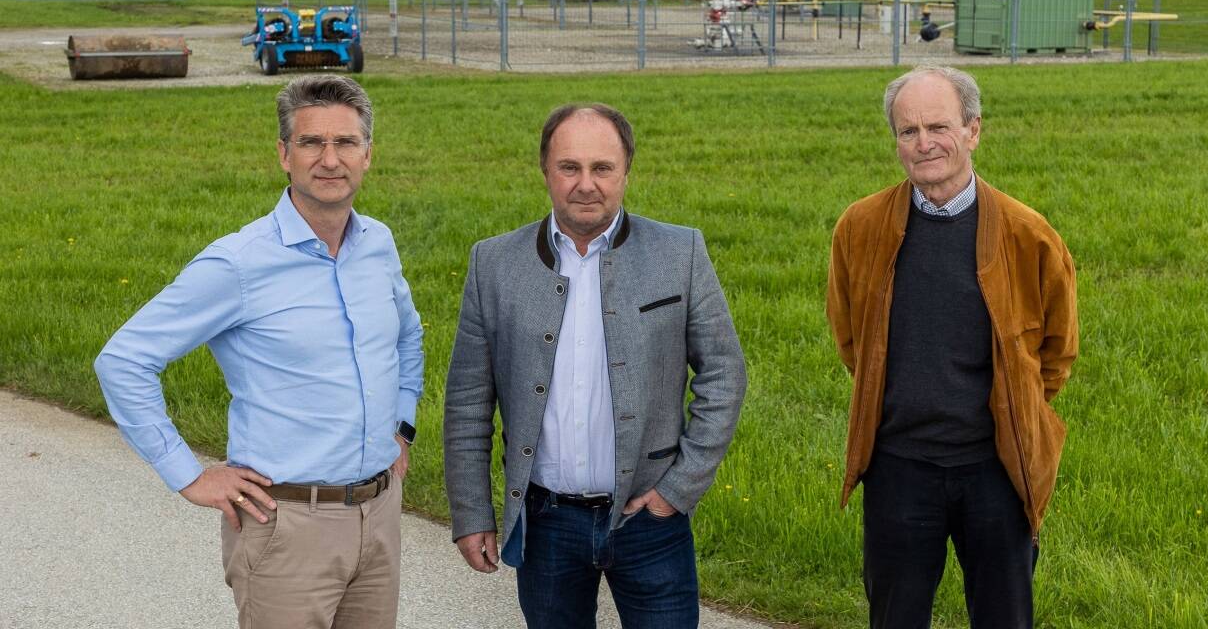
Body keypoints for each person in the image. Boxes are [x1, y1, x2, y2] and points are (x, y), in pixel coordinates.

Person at [94, 74, 424, 629]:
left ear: (367, 155)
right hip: (287, 525)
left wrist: (402, 427)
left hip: (380, 514)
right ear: (283, 155)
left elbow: (407, 337)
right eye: (311, 142)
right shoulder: (238, 263)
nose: (329, 158)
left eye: (344, 143)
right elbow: (124, 360)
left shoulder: (378, 245)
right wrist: (188, 475)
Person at [443, 103, 747, 629]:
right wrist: (472, 514)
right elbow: (468, 401)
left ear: (626, 170)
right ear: (545, 171)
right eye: (570, 167)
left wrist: (676, 491)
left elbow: (724, 373)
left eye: (602, 168)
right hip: (545, 524)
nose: (586, 184)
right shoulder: (493, 263)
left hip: (650, 522)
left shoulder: (681, 252)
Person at [826, 66, 1078, 628]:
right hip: (898, 467)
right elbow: (851, 340)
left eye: (937, 127)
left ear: (973, 131)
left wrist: (1015, 406)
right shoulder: (860, 228)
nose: (923, 144)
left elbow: (1056, 354)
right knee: (895, 616)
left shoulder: (1027, 234)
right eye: (908, 131)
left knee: (1004, 616)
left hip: (996, 466)